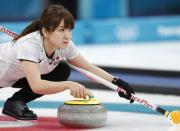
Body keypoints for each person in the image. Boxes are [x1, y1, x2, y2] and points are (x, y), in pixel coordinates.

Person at [0, 4, 135, 120]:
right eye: (61, 30)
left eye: (69, 29)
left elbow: (88, 68)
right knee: (57, 75)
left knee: (61, 71)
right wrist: (69, 85)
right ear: (46, 32)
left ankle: (16, 102)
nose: (67, 35)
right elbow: (37, 86)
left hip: (14, 77)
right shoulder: (29, 45)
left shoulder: (65, 45)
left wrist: (117, 83)